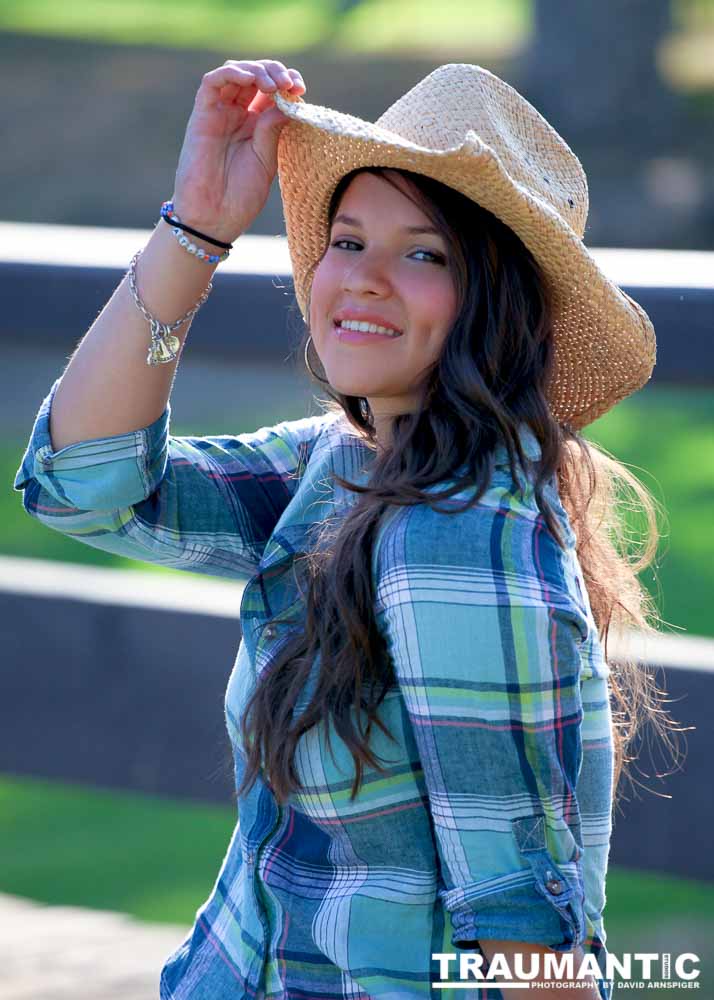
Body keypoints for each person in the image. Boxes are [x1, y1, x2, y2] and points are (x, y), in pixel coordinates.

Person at [14, 58, 676, 999]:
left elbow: (526, 944)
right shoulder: (343, 463)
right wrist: (197, 226)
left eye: (424, 253)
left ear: (498, 301)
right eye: (348, 239)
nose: (361, 280)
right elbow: (84, 485)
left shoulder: (453, 539)